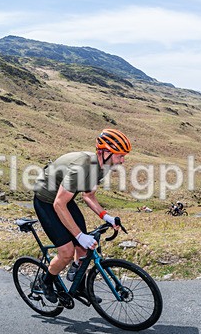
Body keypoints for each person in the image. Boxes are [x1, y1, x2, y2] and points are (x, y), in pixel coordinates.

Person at [31, 128, 130, 303]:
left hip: (63, 200)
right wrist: (78, 235)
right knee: (67, 252)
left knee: (84, 248)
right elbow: (58, 204)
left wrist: (105, 216)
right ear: (105, 152)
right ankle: (44, 282)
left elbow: (88, 195)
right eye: (119, 155)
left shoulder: (103, 166)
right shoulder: (81, 168)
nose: (122, 161)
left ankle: (79, 285)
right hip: (46, 201)